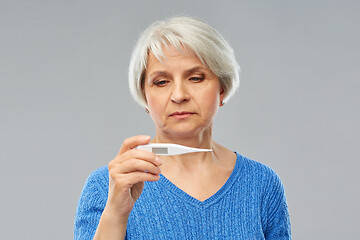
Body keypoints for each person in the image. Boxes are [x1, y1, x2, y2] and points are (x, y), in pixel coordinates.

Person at [74, 16, 291, 239]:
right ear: (145, 96)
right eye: (161, 82)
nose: (179, 95)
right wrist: (116, 213)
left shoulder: (262, 183)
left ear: (222, 89)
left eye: (196, 78)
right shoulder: (107, 187)